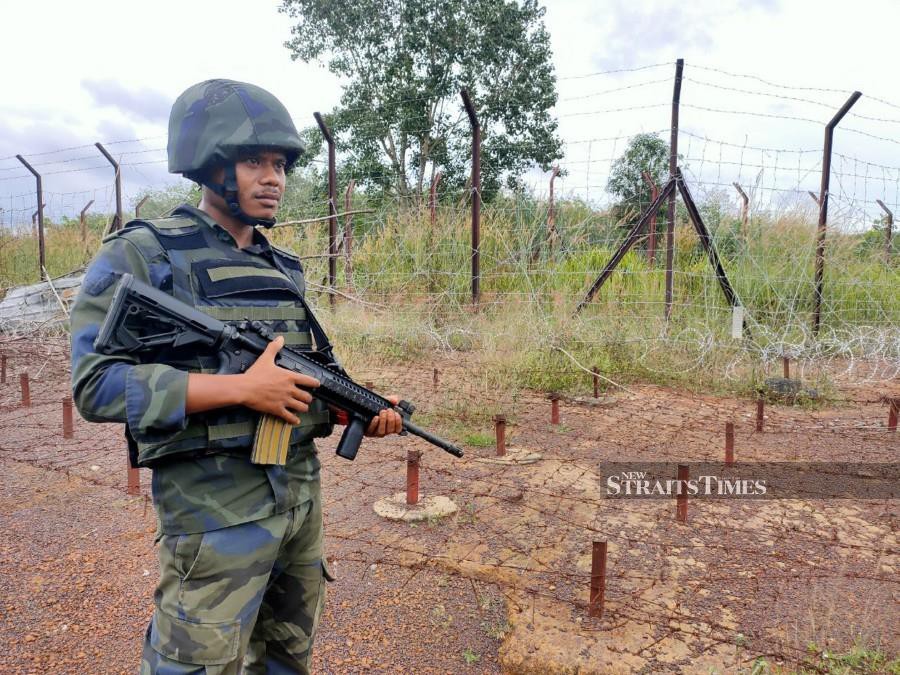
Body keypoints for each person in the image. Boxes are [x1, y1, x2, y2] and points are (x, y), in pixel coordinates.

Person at [70, 78, 402, 674]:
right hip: (213, 518)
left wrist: (353, 408)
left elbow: (293, 385)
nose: (273, 177)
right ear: (209, 164)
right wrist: (242, 389)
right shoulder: (144, 254)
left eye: (279, 163)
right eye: (254, 161)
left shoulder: (283, 266)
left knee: (285, 661)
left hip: (298, 505)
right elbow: (95, 384)